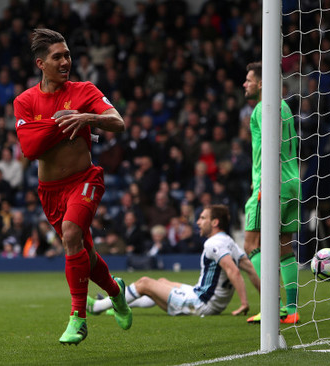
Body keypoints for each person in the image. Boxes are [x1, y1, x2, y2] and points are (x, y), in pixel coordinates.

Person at [13, 28, 132, 346]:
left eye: (67, 55)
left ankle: (77, 318)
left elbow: (118, 122)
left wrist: (85, 117)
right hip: (49, 191)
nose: (66, 61)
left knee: (69, 235)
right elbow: (30, 147)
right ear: (41, 63)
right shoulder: (25, 101)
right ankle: (116, 292)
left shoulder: (84, 90)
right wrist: (59, 123)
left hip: (84, 180)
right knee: (84, 253)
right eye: (58, 56)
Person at [87, 205, 257, 317]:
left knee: (145, 283)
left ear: (215, 222)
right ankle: (115, 305)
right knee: (161, 282)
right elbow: (249, 268)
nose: (198, 222)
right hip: (205, 297)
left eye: (203, 218)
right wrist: (273, 301)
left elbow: (233, 271)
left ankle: (98, 307)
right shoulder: (228, 241)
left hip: (202, 304)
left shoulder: (214, 243)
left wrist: (244, 303)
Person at [242, 62, 301, 325]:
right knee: (284, 247)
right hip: (292, 181)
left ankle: (272, 307)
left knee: (251, 244)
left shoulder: (261, 109)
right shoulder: (285, 107)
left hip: (271, 183)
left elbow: (270, 147)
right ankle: (292, 309)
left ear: (262, 83)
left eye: (249, 79)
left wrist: (264, 185)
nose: (245, 84)